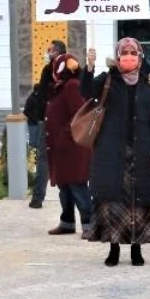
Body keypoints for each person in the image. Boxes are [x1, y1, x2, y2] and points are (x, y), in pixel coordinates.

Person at [82, 39, 150, 267]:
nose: (128, 56)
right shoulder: (108, 80)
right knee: (112, 203)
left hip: (142, 152)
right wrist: (89, 67)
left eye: (132, 53)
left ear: (140, 56)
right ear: (118, 56)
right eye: (124, 53)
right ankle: (114, 249)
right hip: (111, 152)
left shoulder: (149, 87)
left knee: (137, 204)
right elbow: (86, 92)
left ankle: (137, 249)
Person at [45, 53, 93, 239]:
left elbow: (78, 113)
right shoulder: (60, 87)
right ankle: (67, 222)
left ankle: (89, 223)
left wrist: (64, 135)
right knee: (64, 186)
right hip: (62, 148)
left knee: (77, 185)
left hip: (72, 147)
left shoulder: (71, 86)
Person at [24, 40, 65, 208]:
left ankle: (39, 197)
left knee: (46, 159)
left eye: (49, 50)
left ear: (56, 52)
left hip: (53, 121)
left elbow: (42, 96)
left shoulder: (52, 71)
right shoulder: (67, 69)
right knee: (47, 159)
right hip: (54, 120)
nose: (47, 53)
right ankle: (39, 197)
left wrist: (42, 116)